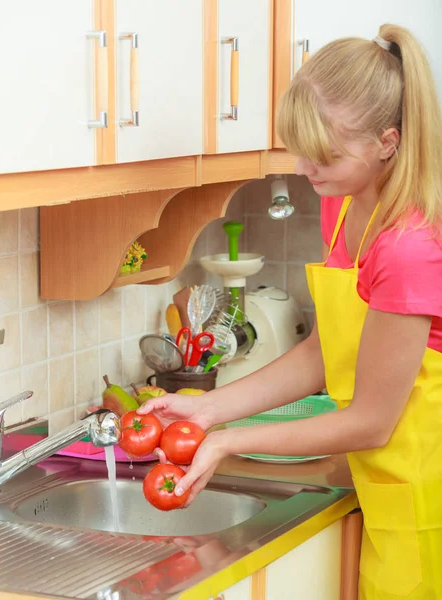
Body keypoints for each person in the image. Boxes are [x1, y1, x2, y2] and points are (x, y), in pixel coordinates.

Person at [139, 23, 442, 599]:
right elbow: (325, 353)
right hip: (387, 482)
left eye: (324, 153)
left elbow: (372, 420)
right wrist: (209, 411)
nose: (305, 168)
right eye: (298, 147)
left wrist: (228, 440)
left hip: (428, 492)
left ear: (389, 140)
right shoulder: (343, 207)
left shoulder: (408, 249)